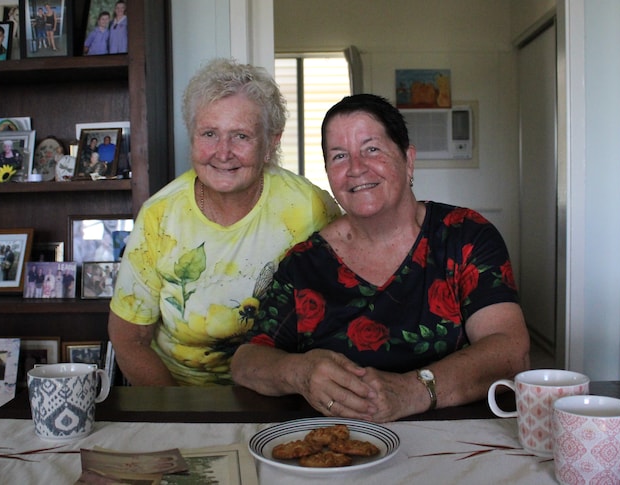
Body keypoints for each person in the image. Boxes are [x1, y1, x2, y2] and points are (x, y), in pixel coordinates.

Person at [231, 94, 530, 423]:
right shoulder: (305, 263)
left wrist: (412, 391)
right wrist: (299, 371)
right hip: (343, 446)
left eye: (371, 149)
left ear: (408, 159)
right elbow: (246, 361)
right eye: (339, 156)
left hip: (457, 442)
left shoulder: (466, 236)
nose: (356, 168)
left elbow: (510, 350)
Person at [108, 58, 342, 387]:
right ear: (192, 136)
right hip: (179, 393)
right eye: (209, 133)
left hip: (282, 391)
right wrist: (179, 417)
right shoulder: (160, 215)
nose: (223, 152)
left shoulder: (310, 208)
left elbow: (347, 309)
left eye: (241, 136)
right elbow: (129, 339)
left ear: (270, 143)